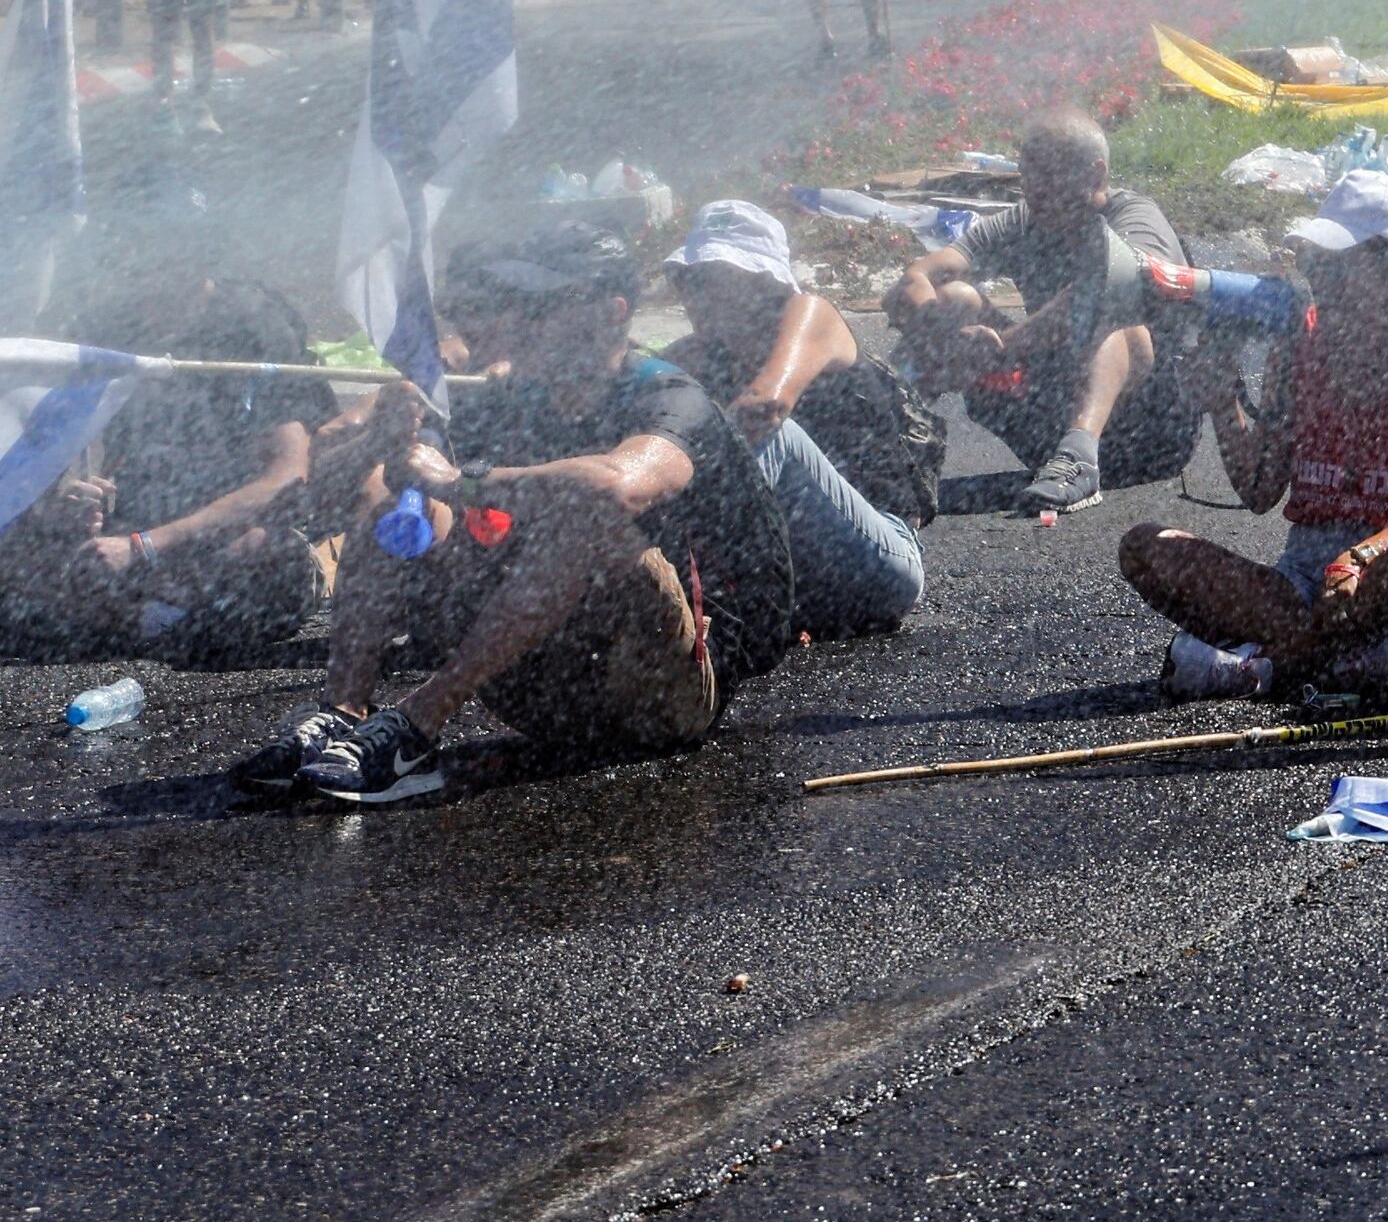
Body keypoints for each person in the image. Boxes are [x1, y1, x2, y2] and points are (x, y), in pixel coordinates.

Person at [248, 220, 801, 807]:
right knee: (392, 503)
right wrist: (383, 444)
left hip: (666, 692)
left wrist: (459, 479)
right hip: (544, 685)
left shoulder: (669, 397)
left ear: (611, 312)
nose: (521, 317)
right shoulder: (511, 397)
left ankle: (414, 730)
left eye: (545, 302)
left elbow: (618, 488)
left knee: (585, 514)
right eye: (518, 302)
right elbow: (323, 494)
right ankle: (343, 714)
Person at [1118, 171, 1388, 700]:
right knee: (1145, 547)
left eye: (1336, 263)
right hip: (1299, 585)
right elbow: (1259, 489)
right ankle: (1340, 658)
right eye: (1314, 261)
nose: (1319, 275)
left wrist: (1363, 559)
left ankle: (1279, 658)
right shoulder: (1298, 348)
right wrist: (1223, 404)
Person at [0, 279, 375, 667]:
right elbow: (53, 449)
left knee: (273, 558)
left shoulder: (253, 327)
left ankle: (114, 616)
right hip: (136, 522)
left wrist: (144, 546)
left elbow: (284, 478)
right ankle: (145, 614)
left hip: (215, 531)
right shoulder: (110, 323)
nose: (158, 282)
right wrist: (71, 501)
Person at [886, 111, 1208, 516]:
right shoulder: (1024, 220)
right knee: (955, 299)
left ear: (1094, 174)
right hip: (1046, 415)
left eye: (1046, 174)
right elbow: (917, 277)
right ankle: (885, 440)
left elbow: (1104, 290)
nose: (1032, 188)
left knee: (1120, 323)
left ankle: (1080, 457)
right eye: (1027, 173)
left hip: (1148, 433)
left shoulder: (1136, 217)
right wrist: (934, 326)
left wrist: (1001, 347)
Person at [657, 201, 934, 636]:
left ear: (762, 282)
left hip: (880, 560)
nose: (696, 293)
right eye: (689, 279)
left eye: (713, 279)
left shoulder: (809, 314)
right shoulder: (696, 354)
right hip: (803, 582)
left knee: (769, 432)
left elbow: (765, 405)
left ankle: (692, 594)